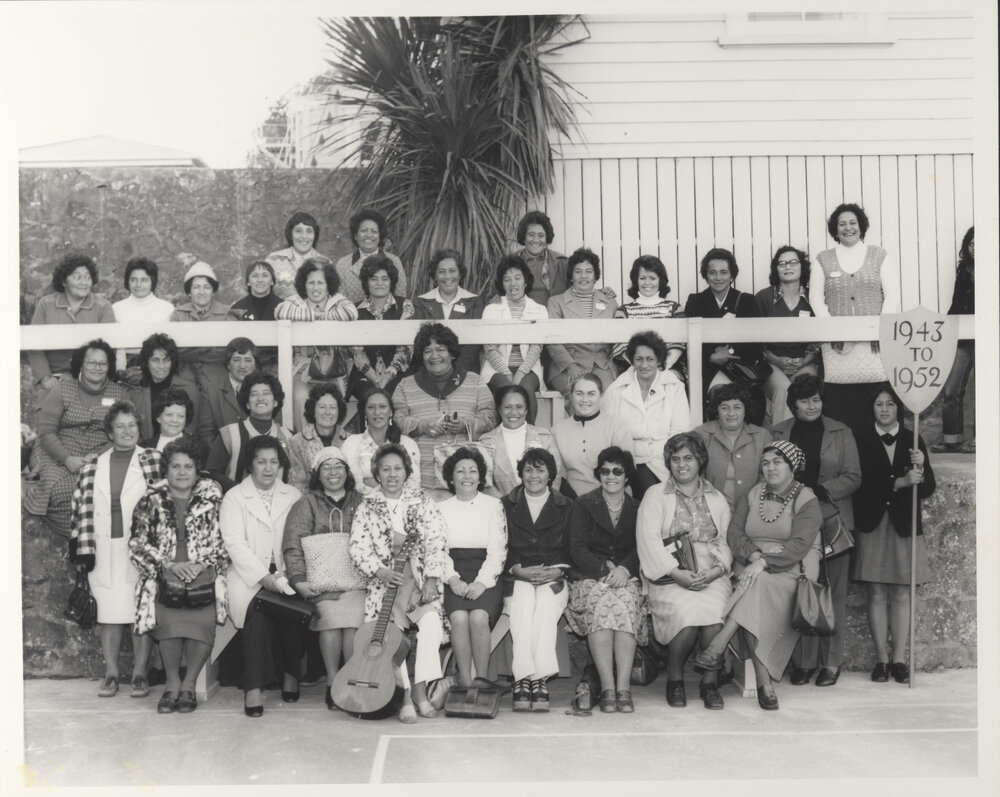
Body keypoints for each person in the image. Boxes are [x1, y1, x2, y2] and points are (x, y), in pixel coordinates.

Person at [693, 441, 822, 712]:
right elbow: (735, 534)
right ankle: (765, 684)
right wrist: (754, 556)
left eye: (777, 462)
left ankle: (719, 642)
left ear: (792, 466)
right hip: (753, 564)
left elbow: (799, 544)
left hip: (791, 569)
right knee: (754, 588)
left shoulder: (806, 499)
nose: (770, 467)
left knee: (754, 585)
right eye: (765, 463)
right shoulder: (753, 494)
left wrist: (764, 562)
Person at [68, 401, 163, 698]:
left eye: (132, 425)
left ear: (139, 428)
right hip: (103, 547)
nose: (127, 431)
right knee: (108, 614)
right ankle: (111, 673)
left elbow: (165, 504)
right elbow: (79, 509)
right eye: (120, 426)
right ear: (110, 432)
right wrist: (82, 552)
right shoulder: (94, 465)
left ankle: (138, 674)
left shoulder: (153, 460)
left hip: (139, 549)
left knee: (141, 613)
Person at [770, 374, 861, 687]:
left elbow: (853, 476)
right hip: (793, 524)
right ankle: (804, 663)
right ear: (793, 404)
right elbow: (770, 473)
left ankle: (831, 663)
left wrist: (818, 490)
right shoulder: (778, 433)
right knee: (800, 590)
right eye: (805, 400)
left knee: (833, 593)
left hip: (833, 521)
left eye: (816, 399)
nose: (812, 406)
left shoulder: (840, 431)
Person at [349, 443, 449, 723]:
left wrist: (431, 578)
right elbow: (357, 548)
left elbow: (437, 540)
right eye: (385, 469)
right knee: (392, 636)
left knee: (430, 627)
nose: (392, 474)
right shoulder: (367, 505)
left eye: (397, 468)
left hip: (418, 581)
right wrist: (379, 571)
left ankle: (420, 691)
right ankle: (405, 696)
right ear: (376, 474)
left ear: (407, 471)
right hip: (385, 586)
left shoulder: (423, 500)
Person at [129, 438, 227, 714]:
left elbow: (224, 543)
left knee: (202, 626)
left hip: (202, 574)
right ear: (166, 469)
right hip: (164, 576)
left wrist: (200, 565)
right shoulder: (150, 500)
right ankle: (172, 684)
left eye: (188, 466)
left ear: (197, 470)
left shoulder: (212, 500)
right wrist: (167, 565)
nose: (182, 472)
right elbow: (137, 544)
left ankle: (189, 684)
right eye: (175, 466)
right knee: (169, 627)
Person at [636, 433, 733, 710]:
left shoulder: (716, 498)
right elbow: (648, 539)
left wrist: (716, 572)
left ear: (700, 461)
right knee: (686, 617)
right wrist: (677, 573)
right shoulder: (655, 495)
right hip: (669, 574)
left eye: (688, 458)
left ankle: (710, 682)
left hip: (709, 571)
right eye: (675, 459)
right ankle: (675, 678)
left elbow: (725, 540)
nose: (681, 465)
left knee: (716, 617)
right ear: (668, 463)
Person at [852, 384, 936, 684]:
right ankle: (882, 661)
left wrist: (921, 468)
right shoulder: (860, 439)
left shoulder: (914, 439)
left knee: (901, 592)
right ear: (872, 408)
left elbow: (927, 489)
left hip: (903, 522)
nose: (885, 409)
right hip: (873, 523)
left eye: (890, 404)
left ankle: (900, 659)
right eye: (879, 404)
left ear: (898, 408)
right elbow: (859, 484)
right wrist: (898, 483)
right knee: (875, 591)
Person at [219, 436, 303, 717]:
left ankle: (291, 673)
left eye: (273, 462)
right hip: (247, 576)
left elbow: (298, 537)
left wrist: (287, 574)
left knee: (293, 611)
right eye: (261, 461)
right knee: (258, 614)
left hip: (286, 571)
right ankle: (253, 688)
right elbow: (234, 543)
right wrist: (262, 577)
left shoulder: (292, 495)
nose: (268, 468)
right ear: (250, 465)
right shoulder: (234, 497)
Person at [282, 447, 366, 710]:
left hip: (357, 581)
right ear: (317, 474)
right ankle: (332, 681)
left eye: (338, 466)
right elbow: (292, 543)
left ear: (347, 471)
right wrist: (298, 579)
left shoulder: (361, 501)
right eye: (326, 467)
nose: (333, 472)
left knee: (353, 624)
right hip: (321, 582)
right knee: (330, 620)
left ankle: (349, 680)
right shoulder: (306, 503)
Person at [810, 203, 902, 435]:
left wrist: (878, 331)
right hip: (837, 348)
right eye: (842, 224)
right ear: (835, 229)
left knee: (874, 404)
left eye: (853, 222)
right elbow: (816, 300)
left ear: (861, 226)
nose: (848, 228)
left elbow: (892, 295)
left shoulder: (879, 255)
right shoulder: (823, 259)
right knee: (840, 408)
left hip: (874, 346)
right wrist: (833, 332)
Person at [566, 446, 643, 713]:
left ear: (627, 477)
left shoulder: (637, 507)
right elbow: (576, 547)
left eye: (617, 471)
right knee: (601, 605)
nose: (611, 476)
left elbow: (641, 546)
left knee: (625, 605)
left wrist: (624, 569)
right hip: (591, 577)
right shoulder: (584, 503)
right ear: (599, 474)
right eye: (605, 471)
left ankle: (624, 689)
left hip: (626, 577)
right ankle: (608, 688)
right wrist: (603, 571)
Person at [25, 339, 130, 534]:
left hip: (103, 457)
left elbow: (125, 433)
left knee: (101, 494)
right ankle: (78, 546)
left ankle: (93, 545)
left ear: (109, 366)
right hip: (60, 455)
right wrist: (67, 458)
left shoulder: (119, 394)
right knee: (63, 493)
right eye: (91, 362)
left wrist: (100, 456)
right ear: (81, 363)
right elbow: (47, 432)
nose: (97, 368)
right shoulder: (62, 390)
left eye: (102, 363)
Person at [501, 447, 574, 712]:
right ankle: (524, 678)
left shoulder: (566, 505)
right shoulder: (505, 504)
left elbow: (574, 546)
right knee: (521, 605)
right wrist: (516, 570)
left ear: (550, 474)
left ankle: (538, 678)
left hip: (552, 576)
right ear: (520, 473)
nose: (534, 475)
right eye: (528, 469)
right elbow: (499, 546)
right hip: (517, 576)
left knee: (543, 606)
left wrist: (560, 570)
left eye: (540, 469)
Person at [391, 322, 497, 491]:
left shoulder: (474, 381)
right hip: (421, 482)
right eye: (427, 351)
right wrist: (421, 426)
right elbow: (397, 420)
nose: (434, 356)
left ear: (452, 353)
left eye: (440, 349)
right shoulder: (406, 385)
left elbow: (490, 418)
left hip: (466, 483)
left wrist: (465, 425)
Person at [438, 447, 507, 687]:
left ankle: (482, 679)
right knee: (458, 618)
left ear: (480, 476)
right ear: (450, 477)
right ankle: (465, 683)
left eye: (472, 471)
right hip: (454, 573)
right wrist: (452, 579)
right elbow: (439, 549)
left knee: (478, 617)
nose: (467, 476)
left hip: (486, 574)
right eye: (460, 471)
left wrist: (482, 582)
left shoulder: (493, 505)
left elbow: (498, 549)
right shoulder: (441, 508)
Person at [602, 331, 690, 500]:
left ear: (659, 360)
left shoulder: (673, 386)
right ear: (632, 360)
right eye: (639, 359)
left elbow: (680, 431)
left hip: (663, 458)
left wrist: (670, 459)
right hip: (626, 457)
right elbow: (606, 429)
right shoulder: (617, 388)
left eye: (650, 359)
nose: (644, 365)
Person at [274, 257, 358, 431]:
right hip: (302, 372)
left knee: (331, 403)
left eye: (320, 282)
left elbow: (351, 312)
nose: (315, 287)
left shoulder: (337, 300)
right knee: (300, 397)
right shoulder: (296, 300)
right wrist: (314, 315)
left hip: (332, 371)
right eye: (311, 283)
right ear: (304, 284)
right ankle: (305, 446)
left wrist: (318, 317)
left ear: (328, 285)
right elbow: (280, 311)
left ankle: (328, 450)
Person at [683, 247, 763, 421]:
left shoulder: (746, 300)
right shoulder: (695, 301)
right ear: (705, 275)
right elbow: (689, 342)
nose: (718, 278)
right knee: (717, 398)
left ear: (732, 275)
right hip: (709, 366)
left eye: (723, 272)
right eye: (712, 272)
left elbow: (755, 343)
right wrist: (711, 356)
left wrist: (729, 353)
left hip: (740, 367)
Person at [27, 253, 114, 401]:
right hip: (53, 381)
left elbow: (107, 350)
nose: (84, 282)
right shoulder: (45, 305)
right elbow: (34, 346)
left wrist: (75, 375)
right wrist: (45, 378)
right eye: (77, 277)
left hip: (90, 380)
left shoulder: (103, 307)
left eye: (87, 277)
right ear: (63, 281)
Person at [753, 246, 820, 426]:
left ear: (802, 267)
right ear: (776, 269)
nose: (787, 267)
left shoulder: (813, 297)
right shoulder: (763, 298)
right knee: (783, 389)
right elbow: (755, 340)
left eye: (792, 262)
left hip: (804, 361)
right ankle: (781, 443)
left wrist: (805, 360)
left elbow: (820, 336)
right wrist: (776, 360)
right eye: (782, 263)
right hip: (771, 362)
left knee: (807, 389)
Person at [480, 254, 549, 423]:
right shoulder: (491, 309)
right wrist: (506, 373)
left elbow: (536, 347)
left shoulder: (539, 309)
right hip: (498, 368)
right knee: (505, 388)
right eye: (507, 279)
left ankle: (529, 433)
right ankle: (499, 433)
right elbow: (489, 348)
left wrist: (520, 372)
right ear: (502, 284)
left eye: (517, 278)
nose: (513, 284)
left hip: (528, 368)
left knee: (524, 389)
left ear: (525, 281)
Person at [546, 247, 619, 398]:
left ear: (595, 276)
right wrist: (570, 365)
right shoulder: (556, 302)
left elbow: (617, 339)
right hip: (568, 366)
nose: (583, 276)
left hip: (601, 365)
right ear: (571, 276)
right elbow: (552, 340)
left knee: (610, 397)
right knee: (580, 396)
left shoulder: (610, 302)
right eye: (578, 271)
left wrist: (611, 365)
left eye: (589, 271)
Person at [205, 371, 293, 492]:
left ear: (276, 401)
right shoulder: (229, 434)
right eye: (254, 394)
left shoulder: (289, 436)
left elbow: (295, 477)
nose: (260, 398)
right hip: (237, 505)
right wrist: (241, 492)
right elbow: (212, 472)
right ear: (247, 404)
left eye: (266, 393)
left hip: (278, 507)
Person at [694, 383, 772, 513]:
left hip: (752, 509)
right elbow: (694, 475)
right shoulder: (702, 434)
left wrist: (756, 502)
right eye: (725, 408)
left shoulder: (763, 436)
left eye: (737, 407)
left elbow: (768, 476)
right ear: (717, 411)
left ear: (745, 410)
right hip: (708, 510)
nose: (731, 413)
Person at [551, 373, 632, 498]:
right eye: (579, 393)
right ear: (571, 395)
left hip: (611, 499)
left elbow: (625, 470)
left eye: (591, 394)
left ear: (601, 395)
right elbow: (558, 474)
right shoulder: (558, 430)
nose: (584, 399)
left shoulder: (616, 425)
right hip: (572, 501)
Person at [347, 254, 414, 404]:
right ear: (366, 282)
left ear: (391, 281)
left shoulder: (405, 306)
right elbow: (356, 351)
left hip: (398, 372)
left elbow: (405, 349)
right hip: (364, 373)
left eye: (384, 279)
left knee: (395, 396)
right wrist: (375, 378)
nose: (379, 283)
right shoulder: (353, 310)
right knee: (370, 398)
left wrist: (387, 376)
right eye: (374, 278)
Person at [932, 226, 975, 453]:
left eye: (978, 243)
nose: (974, 248)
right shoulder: (963, 270)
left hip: (986, 336)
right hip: (962, 336)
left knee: (985, 389)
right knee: (951, 390)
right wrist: (946, 330)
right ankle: (952, 439)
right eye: (970, 244)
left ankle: (981, 439)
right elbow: (956, 302)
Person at [478, 384, 563, 497]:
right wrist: (506, 505)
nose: (513, 412)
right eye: (507, 407)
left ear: (526, 410)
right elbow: (485, 483)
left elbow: (555, 477)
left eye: (519, 407)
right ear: (499, 409)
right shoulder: (486, 442)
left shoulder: (544, 437)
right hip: (500, 507)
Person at [412, 249, 485, 374]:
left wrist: (452, 370)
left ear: (460, 274)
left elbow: (474, 345)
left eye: (452, 271)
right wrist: (437, 368)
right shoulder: (421, 302)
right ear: (435, 276)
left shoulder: (475, 302)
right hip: (429, 371)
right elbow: (420, 343)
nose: (447, 276)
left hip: (465, 372)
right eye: (441, 272)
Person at [612, 255, 685, 378]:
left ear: (660, 280)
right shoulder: (623, 311)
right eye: (642, 278)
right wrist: (642, 367)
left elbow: (679, 343)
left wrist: (661, 369)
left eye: (652, 278)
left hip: (668, 368)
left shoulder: (675, 309)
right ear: (636, 280)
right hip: (634, 368)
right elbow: (621, 345)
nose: (647, 283)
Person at [341, 387, 421, 497]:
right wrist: (391, 485)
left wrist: (370, 482)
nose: (377, 412)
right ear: (364, 412)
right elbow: (349, 483)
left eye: (382, 407)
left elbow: (413, 485)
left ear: (391, 412)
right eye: (371, 407)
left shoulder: (407, 444)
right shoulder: (351, 443)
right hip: (361, 509)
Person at [169, 261, 235, 387]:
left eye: (207, 287)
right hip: (185, 377)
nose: (201, 292)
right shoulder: (178, 315)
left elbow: (227, 353)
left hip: (218, 378)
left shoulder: (227, 314)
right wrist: (208, 349)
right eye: (196, 287)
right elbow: (176, 352)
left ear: (213, 291)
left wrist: (193, 352)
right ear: (189, 292)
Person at [128, 333, 200, 443]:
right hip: (147, 450)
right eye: (155, 360)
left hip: (180, 449)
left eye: (166, 360)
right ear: (147, 363)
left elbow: (192, 429)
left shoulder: (188, 388)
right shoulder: (139, 390)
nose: (161, 366)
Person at [335, 209, 408, 304]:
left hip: (388, 318)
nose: (369, 235)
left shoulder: (394, 261)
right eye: (364, 231)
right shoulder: (343, 265)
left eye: (374, 231)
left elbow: (400, 298)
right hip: (353, 317)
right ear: (355, 236)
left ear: (380, 236)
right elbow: (340, 302)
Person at [195, 337, 259, 443]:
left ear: (254, 365)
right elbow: (206, 433)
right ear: (228, 364)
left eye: (247, 360)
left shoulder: (265, 389)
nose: (242, 366)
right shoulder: (212, 390)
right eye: (236, 360)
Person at [287, 383, 349, 492]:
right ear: (313, 411)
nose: (328, 412)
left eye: (333, 407)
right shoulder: (296, 442)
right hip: (310, 504)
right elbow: (296, 484)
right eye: (322, 407)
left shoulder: (349, 440)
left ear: (339, 411)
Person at [266, 211, 332, 301]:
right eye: (298, 231)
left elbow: (331, 298)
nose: (304, 236)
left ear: (315, 236)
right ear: (290, 234)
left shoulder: (326, 264)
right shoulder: (273, 260)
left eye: (309, 231)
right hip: (280, 314)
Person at [512, 210, 570, 306]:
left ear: (547, 238)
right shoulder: (510, 262)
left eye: (541, 235)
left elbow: (578, 290)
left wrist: (601, 292)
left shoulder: (561, 263)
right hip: (520, 317)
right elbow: (495, 295)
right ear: (523, 236)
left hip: (553, 317)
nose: (536, 240)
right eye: (531, 235)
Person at [111, 256, 175, 324]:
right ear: (127, 281)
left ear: (152, 282)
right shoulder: (116, 309)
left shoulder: (167, 309)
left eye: (144, 280)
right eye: (134, 280)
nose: (138, 285)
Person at [142, 387, 196, 453]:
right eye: (169, 414)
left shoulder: (199, 447)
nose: (175, 420)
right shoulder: (143, 447)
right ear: (158, 417)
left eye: (181, 416)